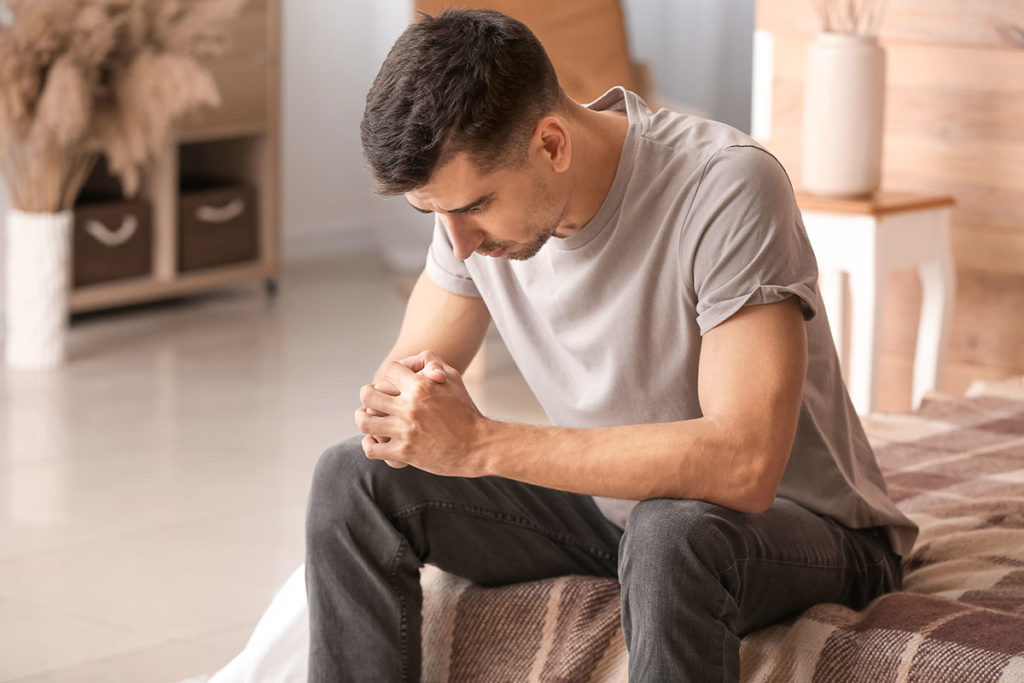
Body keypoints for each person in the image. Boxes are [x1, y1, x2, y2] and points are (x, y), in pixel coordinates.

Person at [305, 8, 916, 682]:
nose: (458, 243)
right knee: (353, 479)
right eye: (433, 214)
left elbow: (745, 463)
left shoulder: (726, 186)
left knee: (670, 533)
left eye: (474, 205)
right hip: (618, 513)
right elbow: (404, 397)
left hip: (799, 527)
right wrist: (404, 415)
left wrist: (480, 442)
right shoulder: (469, 223)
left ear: (551, 144)